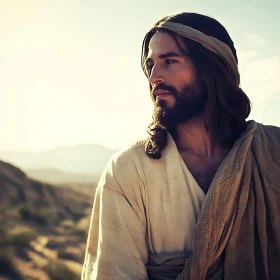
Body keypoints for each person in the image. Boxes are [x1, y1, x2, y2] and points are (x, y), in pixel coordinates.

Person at [82, 12, 280, 280]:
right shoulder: (130, 170)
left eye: (170, 61)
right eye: (150, 65)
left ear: (213, 68)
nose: (154, 77)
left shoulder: (272, 152)